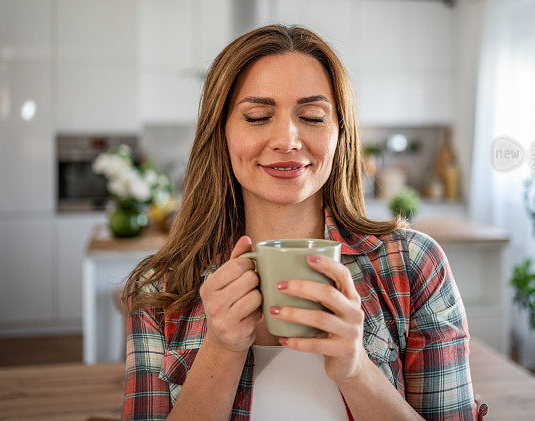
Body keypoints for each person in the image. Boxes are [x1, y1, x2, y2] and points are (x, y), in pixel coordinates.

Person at [121, 24, 481, 420]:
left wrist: (356, 368)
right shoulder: (160, 289)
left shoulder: (413, 265)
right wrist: (222, 347)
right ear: (220, 132)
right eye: (257, 117)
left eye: (312, 116)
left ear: (340, 133)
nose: (287, 140)